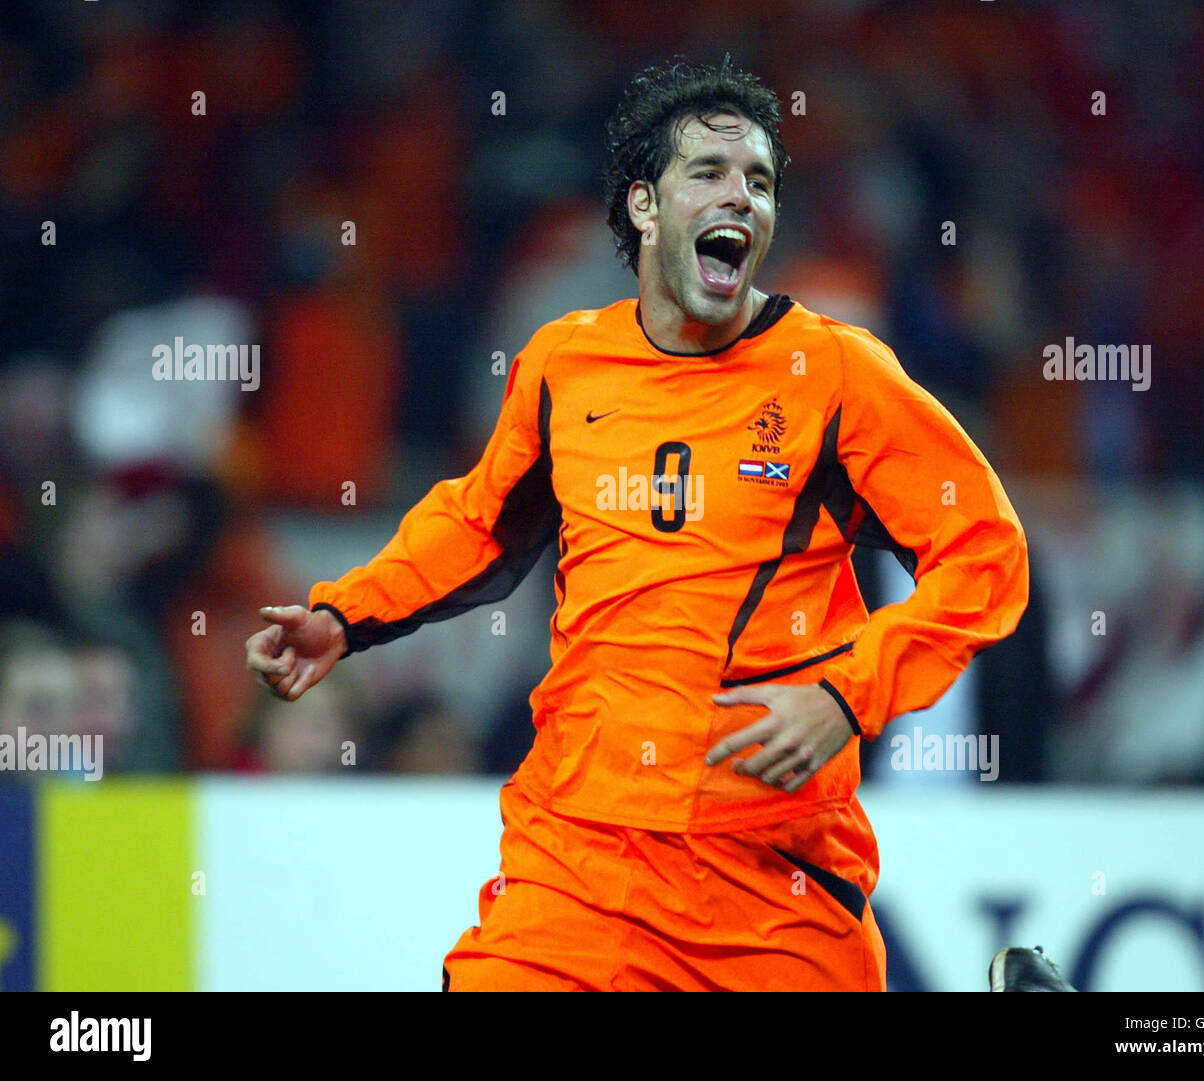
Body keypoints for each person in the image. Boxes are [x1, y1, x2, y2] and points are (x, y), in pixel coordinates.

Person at [245, 57, 1030, 991]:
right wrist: (344, 614)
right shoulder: (564, 365)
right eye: (709, 172)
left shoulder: (837, 375)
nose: (741, 194)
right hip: (580, 856)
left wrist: (849, 695)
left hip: (768, 873)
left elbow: (985, 549)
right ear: (645, 208)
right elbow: (479, 526)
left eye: (762, 181)